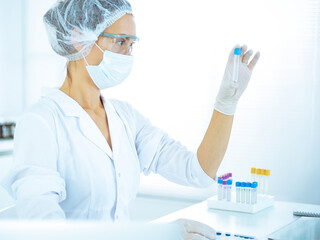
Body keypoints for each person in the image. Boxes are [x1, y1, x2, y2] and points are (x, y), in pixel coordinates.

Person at [1, 0, 260, 238]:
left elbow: (198, 173)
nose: (128, 55)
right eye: (120, 42)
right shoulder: (41, 122)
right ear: (78, 38)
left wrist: (226, 102)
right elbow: (44, 231)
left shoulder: (124, 117)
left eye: (131, 44)